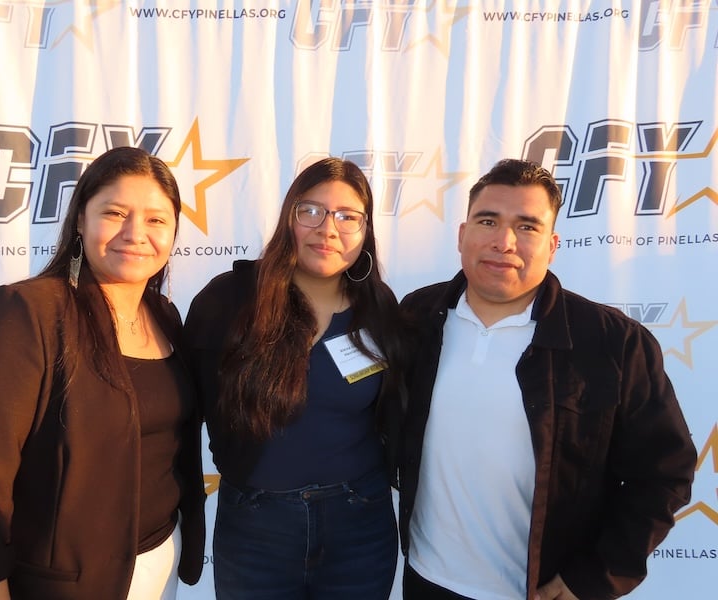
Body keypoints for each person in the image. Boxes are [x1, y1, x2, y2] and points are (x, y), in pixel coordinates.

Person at [397, 158, 697, 600]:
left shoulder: (613, 343)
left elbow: (664, 474)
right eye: (488, 221)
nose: (504, 242)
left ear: (553, 245)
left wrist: (592, 579)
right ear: (462, 236)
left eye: (527, 226)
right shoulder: (418, 316)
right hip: (426, 579)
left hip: (540, 590)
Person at [0, 147, 206, 600]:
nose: (136, 233)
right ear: (79, 221)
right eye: (114, 212)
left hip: (160, 560)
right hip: (64, 586)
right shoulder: (25, 313)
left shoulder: (166, 315)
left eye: (156, 220)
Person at [182, 157, 406, 599]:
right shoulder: (228, 301)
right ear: (290, 217)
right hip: (256, 527)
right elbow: (189, 410)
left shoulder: (379, 307)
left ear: (366, 232)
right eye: (312, 211)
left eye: (348, 217)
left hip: (358, 525)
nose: (329, 229)